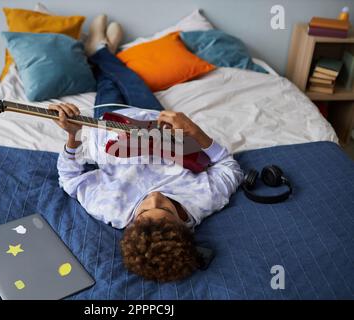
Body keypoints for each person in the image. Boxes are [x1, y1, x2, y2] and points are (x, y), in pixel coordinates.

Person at [50, 15, 243, 282]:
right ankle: (104, 51)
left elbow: (69, 179)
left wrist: (72, 137)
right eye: (164, 207)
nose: (153, 197)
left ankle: (100, 51)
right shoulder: (204, 200)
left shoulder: (112, 210)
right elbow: (229, 167)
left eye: (142, 211)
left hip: (108, 123)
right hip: (155, 120)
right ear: (186, 228)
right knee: (131, 80)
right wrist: (194, 130)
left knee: (106, 84)